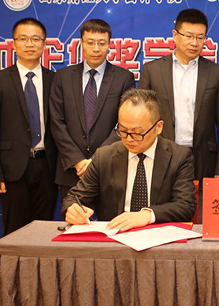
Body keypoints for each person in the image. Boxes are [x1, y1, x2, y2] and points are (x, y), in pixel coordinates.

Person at [137, 9, 219, 216]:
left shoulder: (217, 74)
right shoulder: (152, 70)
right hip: (161, 155)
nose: (194, 43)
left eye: (200, 37)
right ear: (175, 35)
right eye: (188, 36)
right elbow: (141, 119)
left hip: (202, 159)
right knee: (161, 213)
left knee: (201, 216)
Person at [61, 88, 196, 231]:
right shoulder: (104, 157)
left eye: (137, 133)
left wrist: (147, 215)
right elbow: (73, 198)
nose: (129, 139)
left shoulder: (179, 157)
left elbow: (186, 205)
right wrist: (72, 210)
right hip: (114, 236)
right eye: (123, 131)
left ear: (158, 127)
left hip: (158, 234)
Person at [0, 17, 57, 235]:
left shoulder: (56, 80)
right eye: (23, 39)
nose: (29, 44)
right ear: (13, 44)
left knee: (43, 231)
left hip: (48, 166)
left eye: (36, 39)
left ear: (44, 44)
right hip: (12, 169)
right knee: (15, 231)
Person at [49, 19, 135, 200]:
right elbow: (56, 122)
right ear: (81, 43)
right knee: (73, 217)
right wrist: (77, 160)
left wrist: (97, 160)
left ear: (109, 44)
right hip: (72, 169)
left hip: (110, 167)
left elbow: (124, 123)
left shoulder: (123, 78)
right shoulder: (63, 77)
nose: (96, 49)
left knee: (110, 218)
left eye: (102, 43)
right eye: (90, 42)